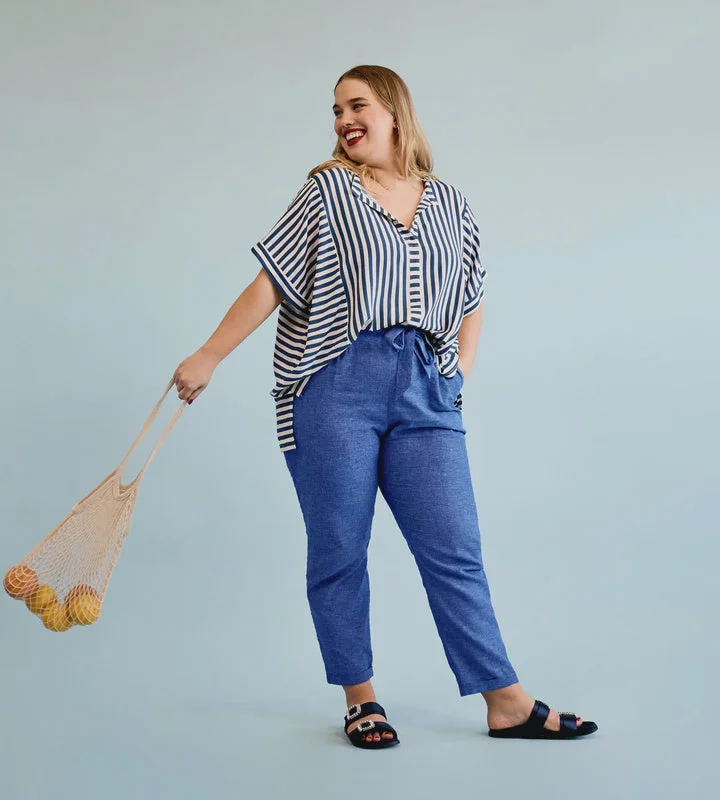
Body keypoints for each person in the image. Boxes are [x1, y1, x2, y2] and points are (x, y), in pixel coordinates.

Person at [173, 65, 597, 749]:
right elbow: (270, 283)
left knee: (455, 548)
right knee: (340, 547)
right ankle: (360, 697)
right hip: (337, 382)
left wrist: (457, 372)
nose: (343, 119)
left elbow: (472, 295)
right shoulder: (327, 192)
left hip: (423, 386)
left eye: (356, 104)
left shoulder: (450, 202)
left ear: (394, 111)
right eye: (336, 109)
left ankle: (506, 700)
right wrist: (210, 354)